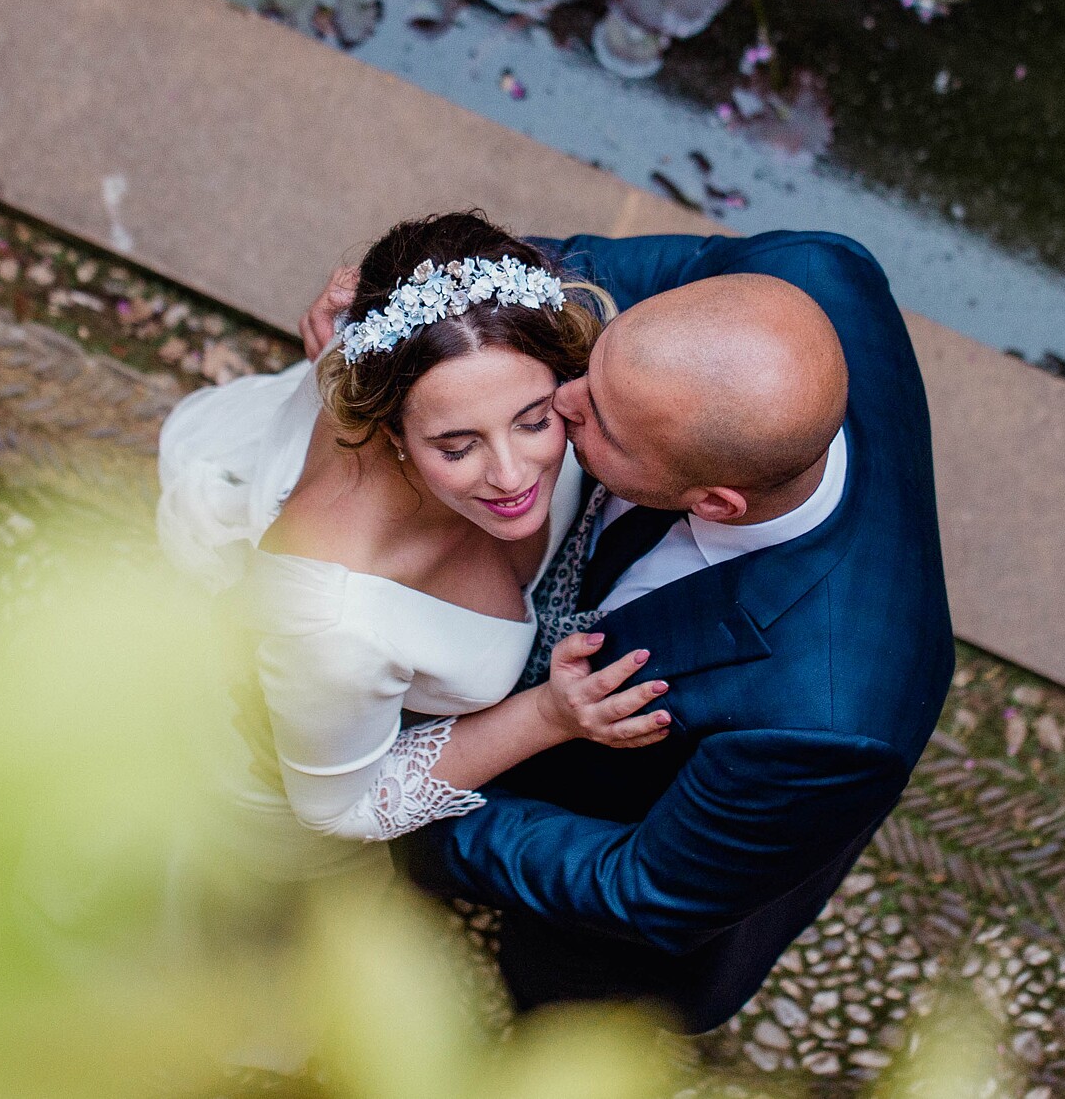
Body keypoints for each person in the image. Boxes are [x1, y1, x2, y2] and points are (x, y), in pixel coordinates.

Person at [298, 227, 954, 1032]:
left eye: (600, 423)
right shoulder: (816, 272)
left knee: (565, 1005)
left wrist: (422, 815)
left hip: (612, 870)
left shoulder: (827, 722)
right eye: (594, 368)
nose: (559, 401)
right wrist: (428, 311)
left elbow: (644, 887)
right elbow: (604, 269)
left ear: (713, 501)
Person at [156, 211, 672, 884]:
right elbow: (337, 804)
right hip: (284, 776)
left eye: (536, 420)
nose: (513, 475)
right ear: (387, 427)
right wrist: (546, 713)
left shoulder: (462, 339)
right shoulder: (332, 624)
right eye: (456, 446)